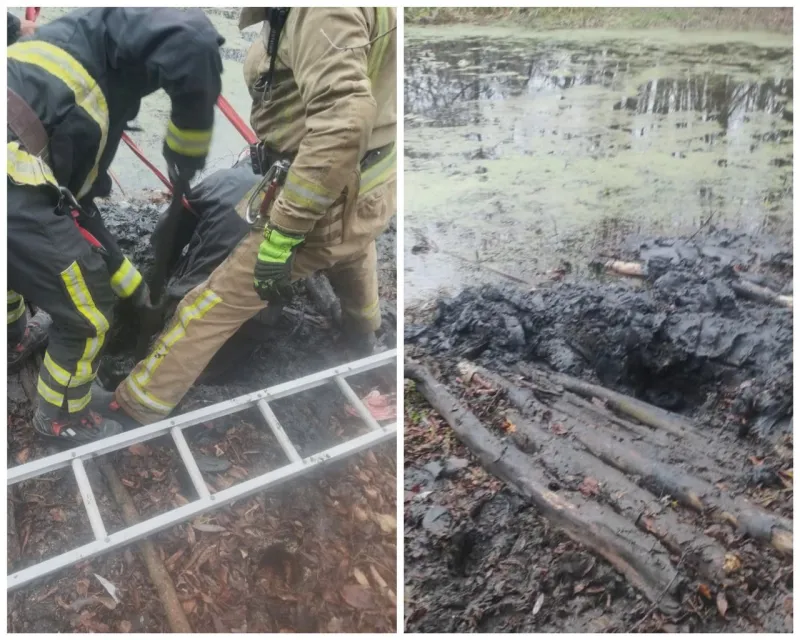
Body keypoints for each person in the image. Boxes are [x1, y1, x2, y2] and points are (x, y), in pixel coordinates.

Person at [101, 7, 397, 425]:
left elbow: (341, 125)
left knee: (214, 301)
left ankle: (137, 403)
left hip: (326, 188)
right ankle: (363, 332)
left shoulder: (323, 14)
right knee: (352, 247)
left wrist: (283, 234)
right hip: (367, 187)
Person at [7, 7, 225, 444]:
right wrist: (187, 145)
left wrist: (135, 289)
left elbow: (79, 206)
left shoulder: (81, 36)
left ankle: (11, 339)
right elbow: (195, 39)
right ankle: (61, 415)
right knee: (88, 312)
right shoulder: (92, 97)